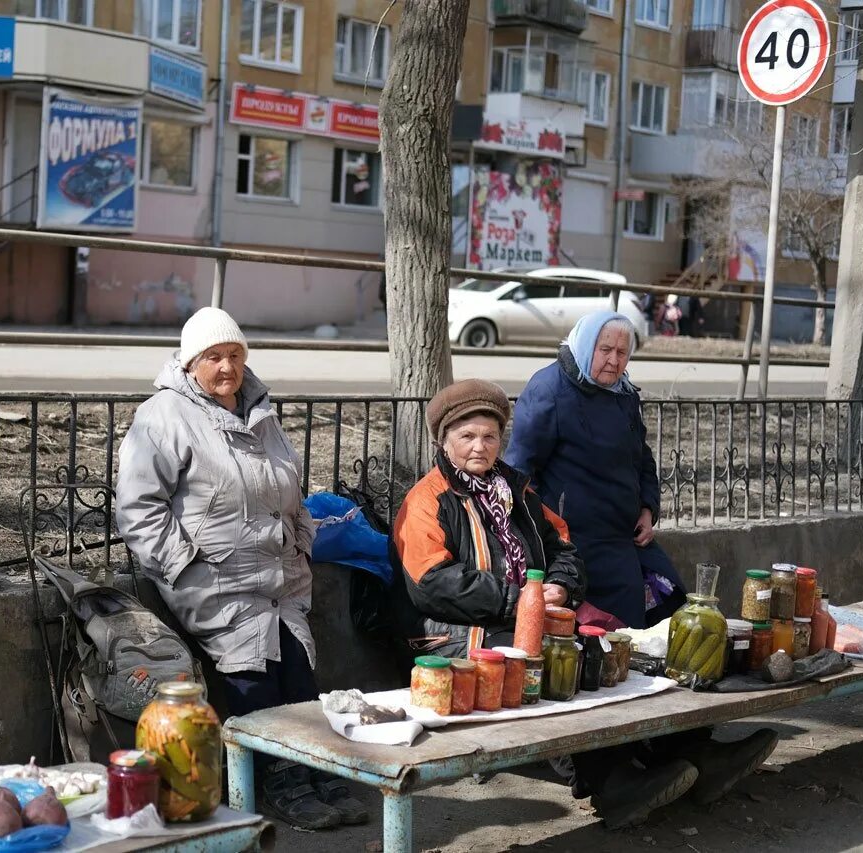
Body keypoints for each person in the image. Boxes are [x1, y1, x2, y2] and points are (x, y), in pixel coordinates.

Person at [505, 311, 778, 827]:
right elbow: (520, 473)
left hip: (631, 539)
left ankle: (698, 751)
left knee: (681, 629)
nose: (613, 360)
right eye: (605, 350)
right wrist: (545, 542)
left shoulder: (624, 394)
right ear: (585, 347)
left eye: (622, 352)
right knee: (611, 650)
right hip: (579, 547)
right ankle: (619, 774)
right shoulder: (550, 390)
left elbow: (642, 460)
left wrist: (648, 506)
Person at [115, 307, 365, 832]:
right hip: (216, 581)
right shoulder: (162, 415)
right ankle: (277, 782)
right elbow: (139, 508)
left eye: (234, 355)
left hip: (279, 580)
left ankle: (311, 770)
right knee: (253, 682)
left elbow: (291, 488)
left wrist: (302, 542)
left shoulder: (260, 409)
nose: (226, 367)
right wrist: (184, 566)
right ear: (190, 362)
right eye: (214, 357)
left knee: (298, 675)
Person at [388, 378, 585, 658]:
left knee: (579, 658)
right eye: (467, 437)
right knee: (527, 662)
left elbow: (562, 547)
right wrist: (517, 600)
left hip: (518, 620)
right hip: (448, 633)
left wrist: (561, 586)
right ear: (443, 442)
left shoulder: (517, 493)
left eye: (489, 436)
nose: (480, 447)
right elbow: (431, 583)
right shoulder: (426, 499)